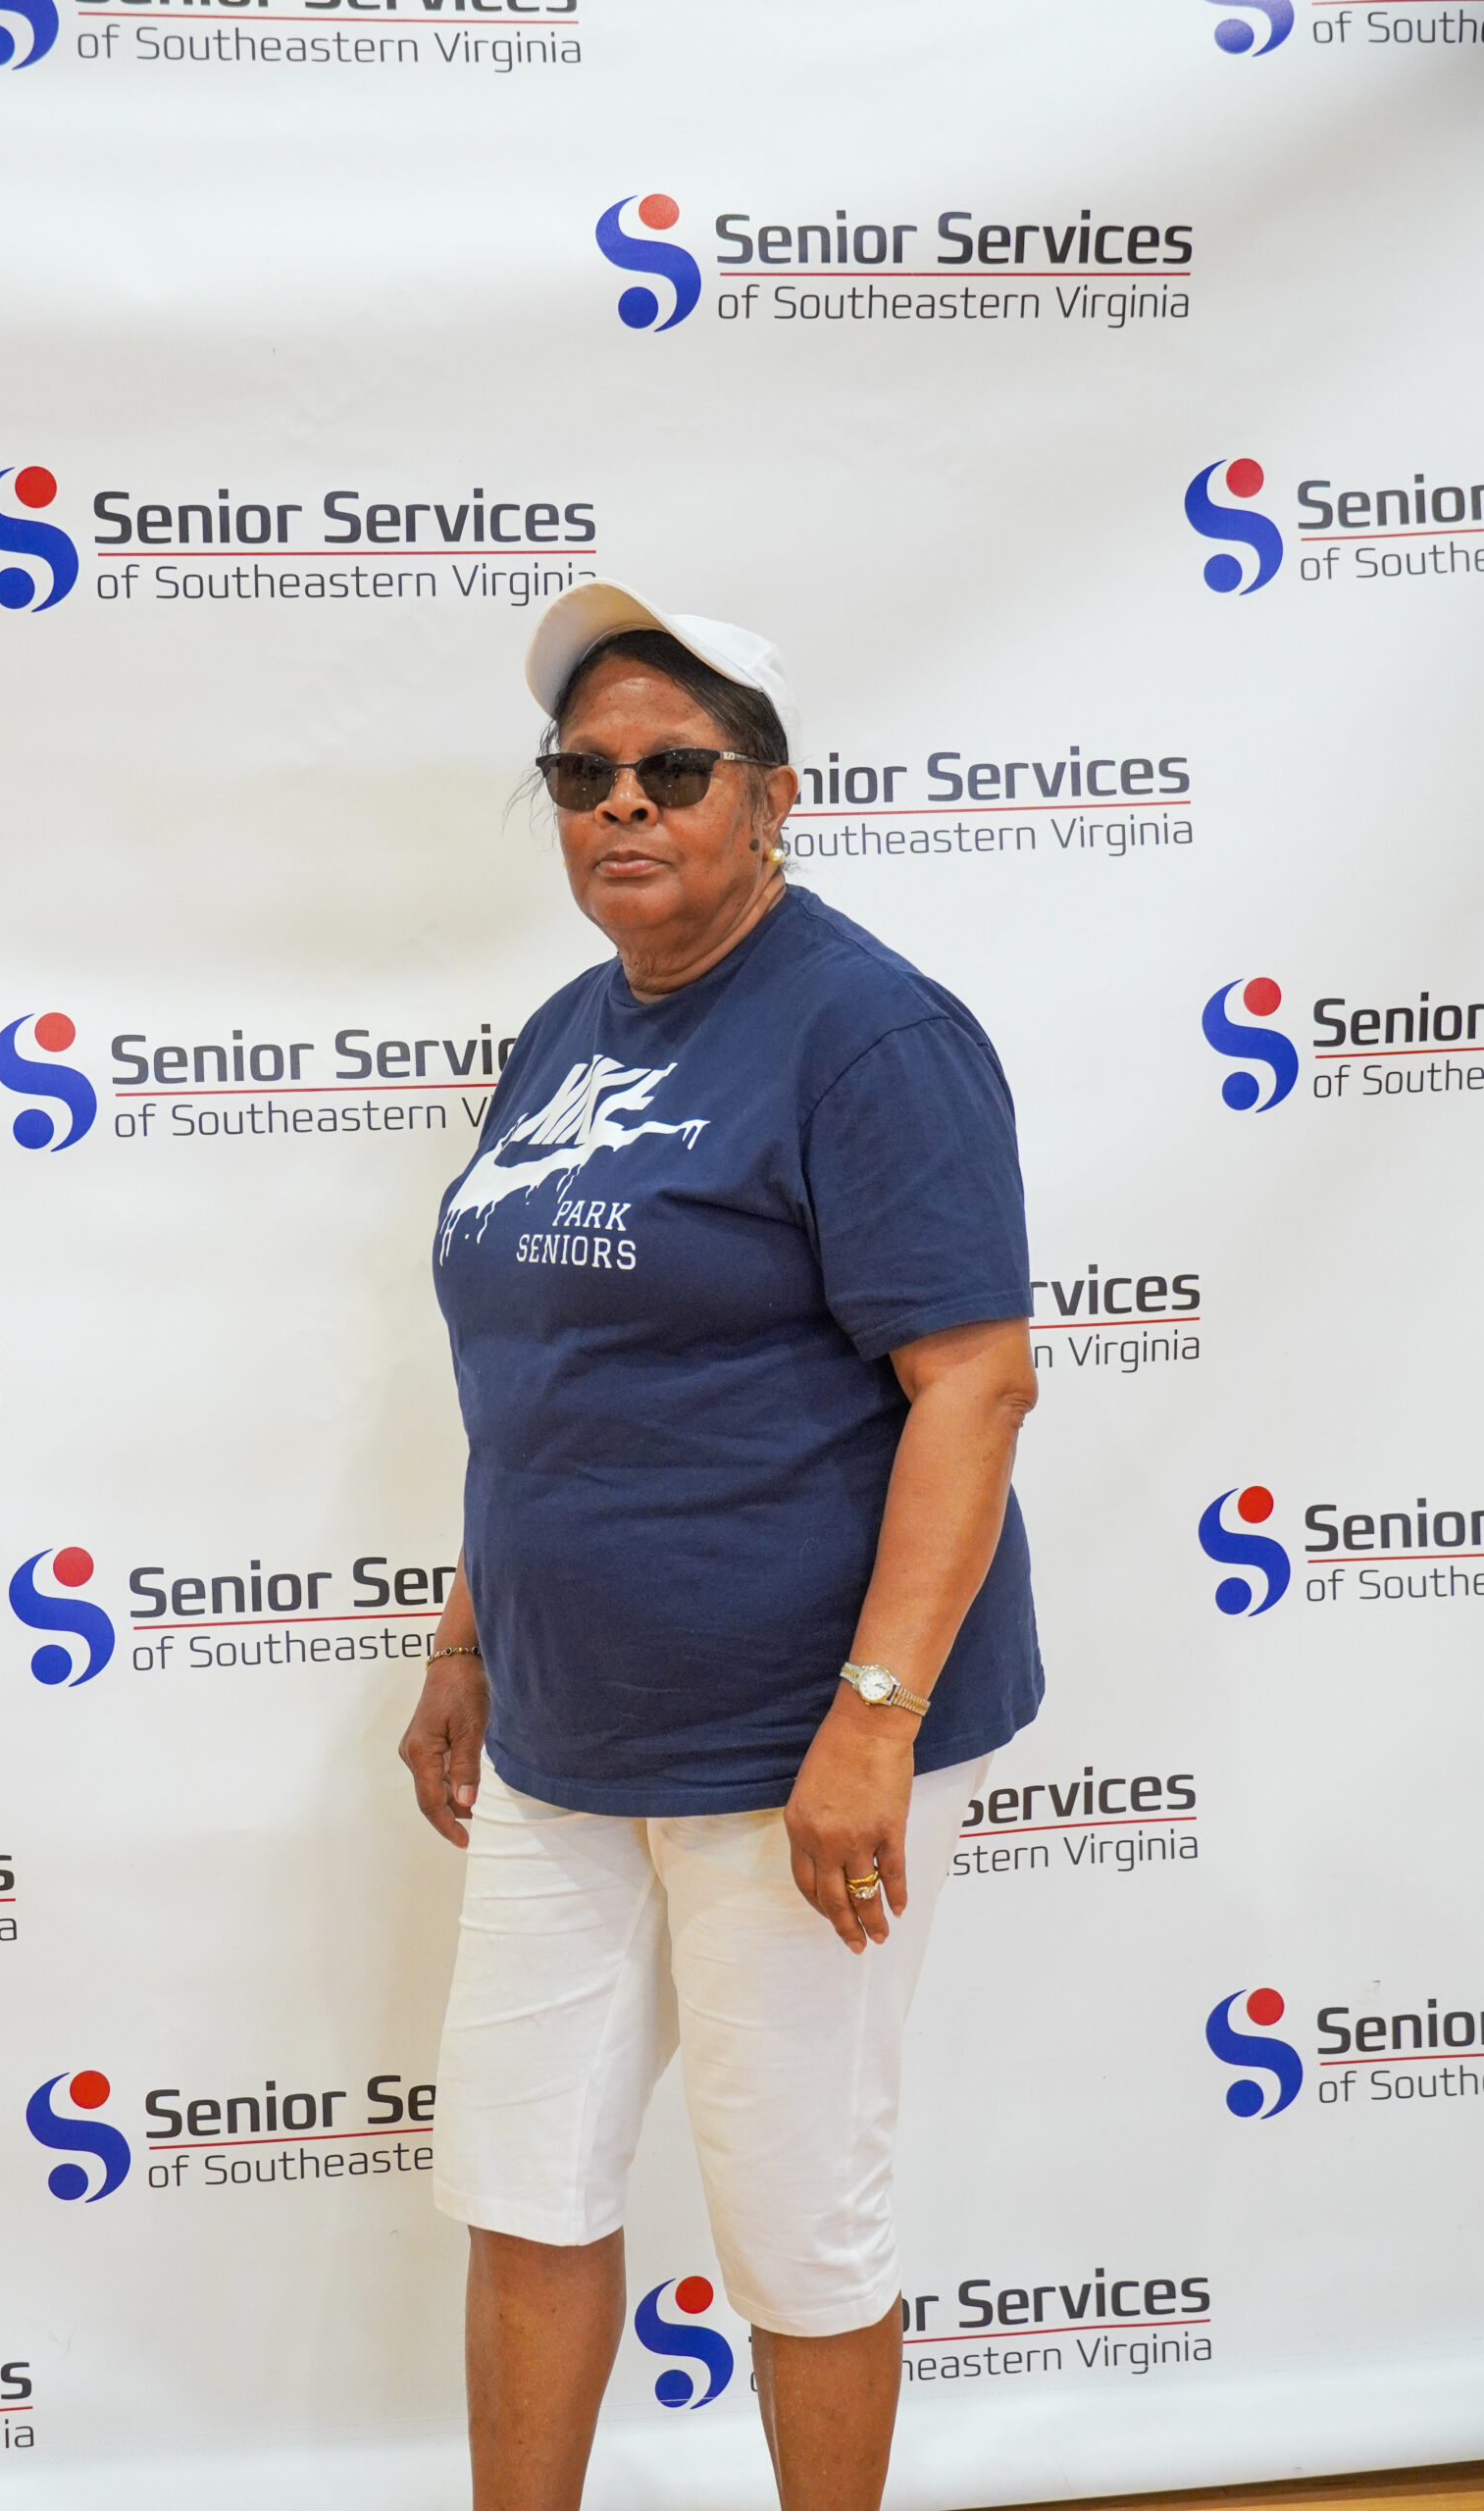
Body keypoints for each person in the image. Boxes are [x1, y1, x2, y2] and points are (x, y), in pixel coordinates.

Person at [401, 581, 1043, 2511]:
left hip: (786, 1740)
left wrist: (868, 1716)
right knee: (519, 2183)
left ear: (768, 794)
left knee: (793, 2224)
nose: (622, 804)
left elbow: (974, 1384)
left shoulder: (864, 1031)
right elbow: (532, 1368)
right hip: (561, 1729)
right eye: (581, 772)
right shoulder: (560, 1034)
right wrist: (463, 1642)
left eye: (672, 767)